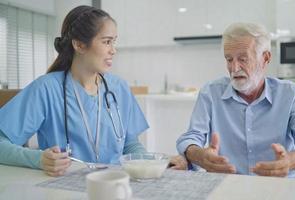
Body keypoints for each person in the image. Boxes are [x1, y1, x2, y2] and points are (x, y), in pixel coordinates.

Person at [0, 5, 186, 177]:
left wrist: (154, 162)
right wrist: (39, 160)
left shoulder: (118, 88)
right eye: (106, 42)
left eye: (114, 42)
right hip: (64, 187)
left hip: (115, 184)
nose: (113, 50)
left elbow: (130, 144)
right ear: (79, 45)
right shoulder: (46, 89)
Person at [176, 22, 295, 178]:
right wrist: (200, 156)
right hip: (227, 186)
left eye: (243, 59)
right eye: (229, 59)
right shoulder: (210, 93)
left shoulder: (289, 94)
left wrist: (289, 161)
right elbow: (191, 138)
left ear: (265, 58)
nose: (234, 68)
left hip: (279, 188)